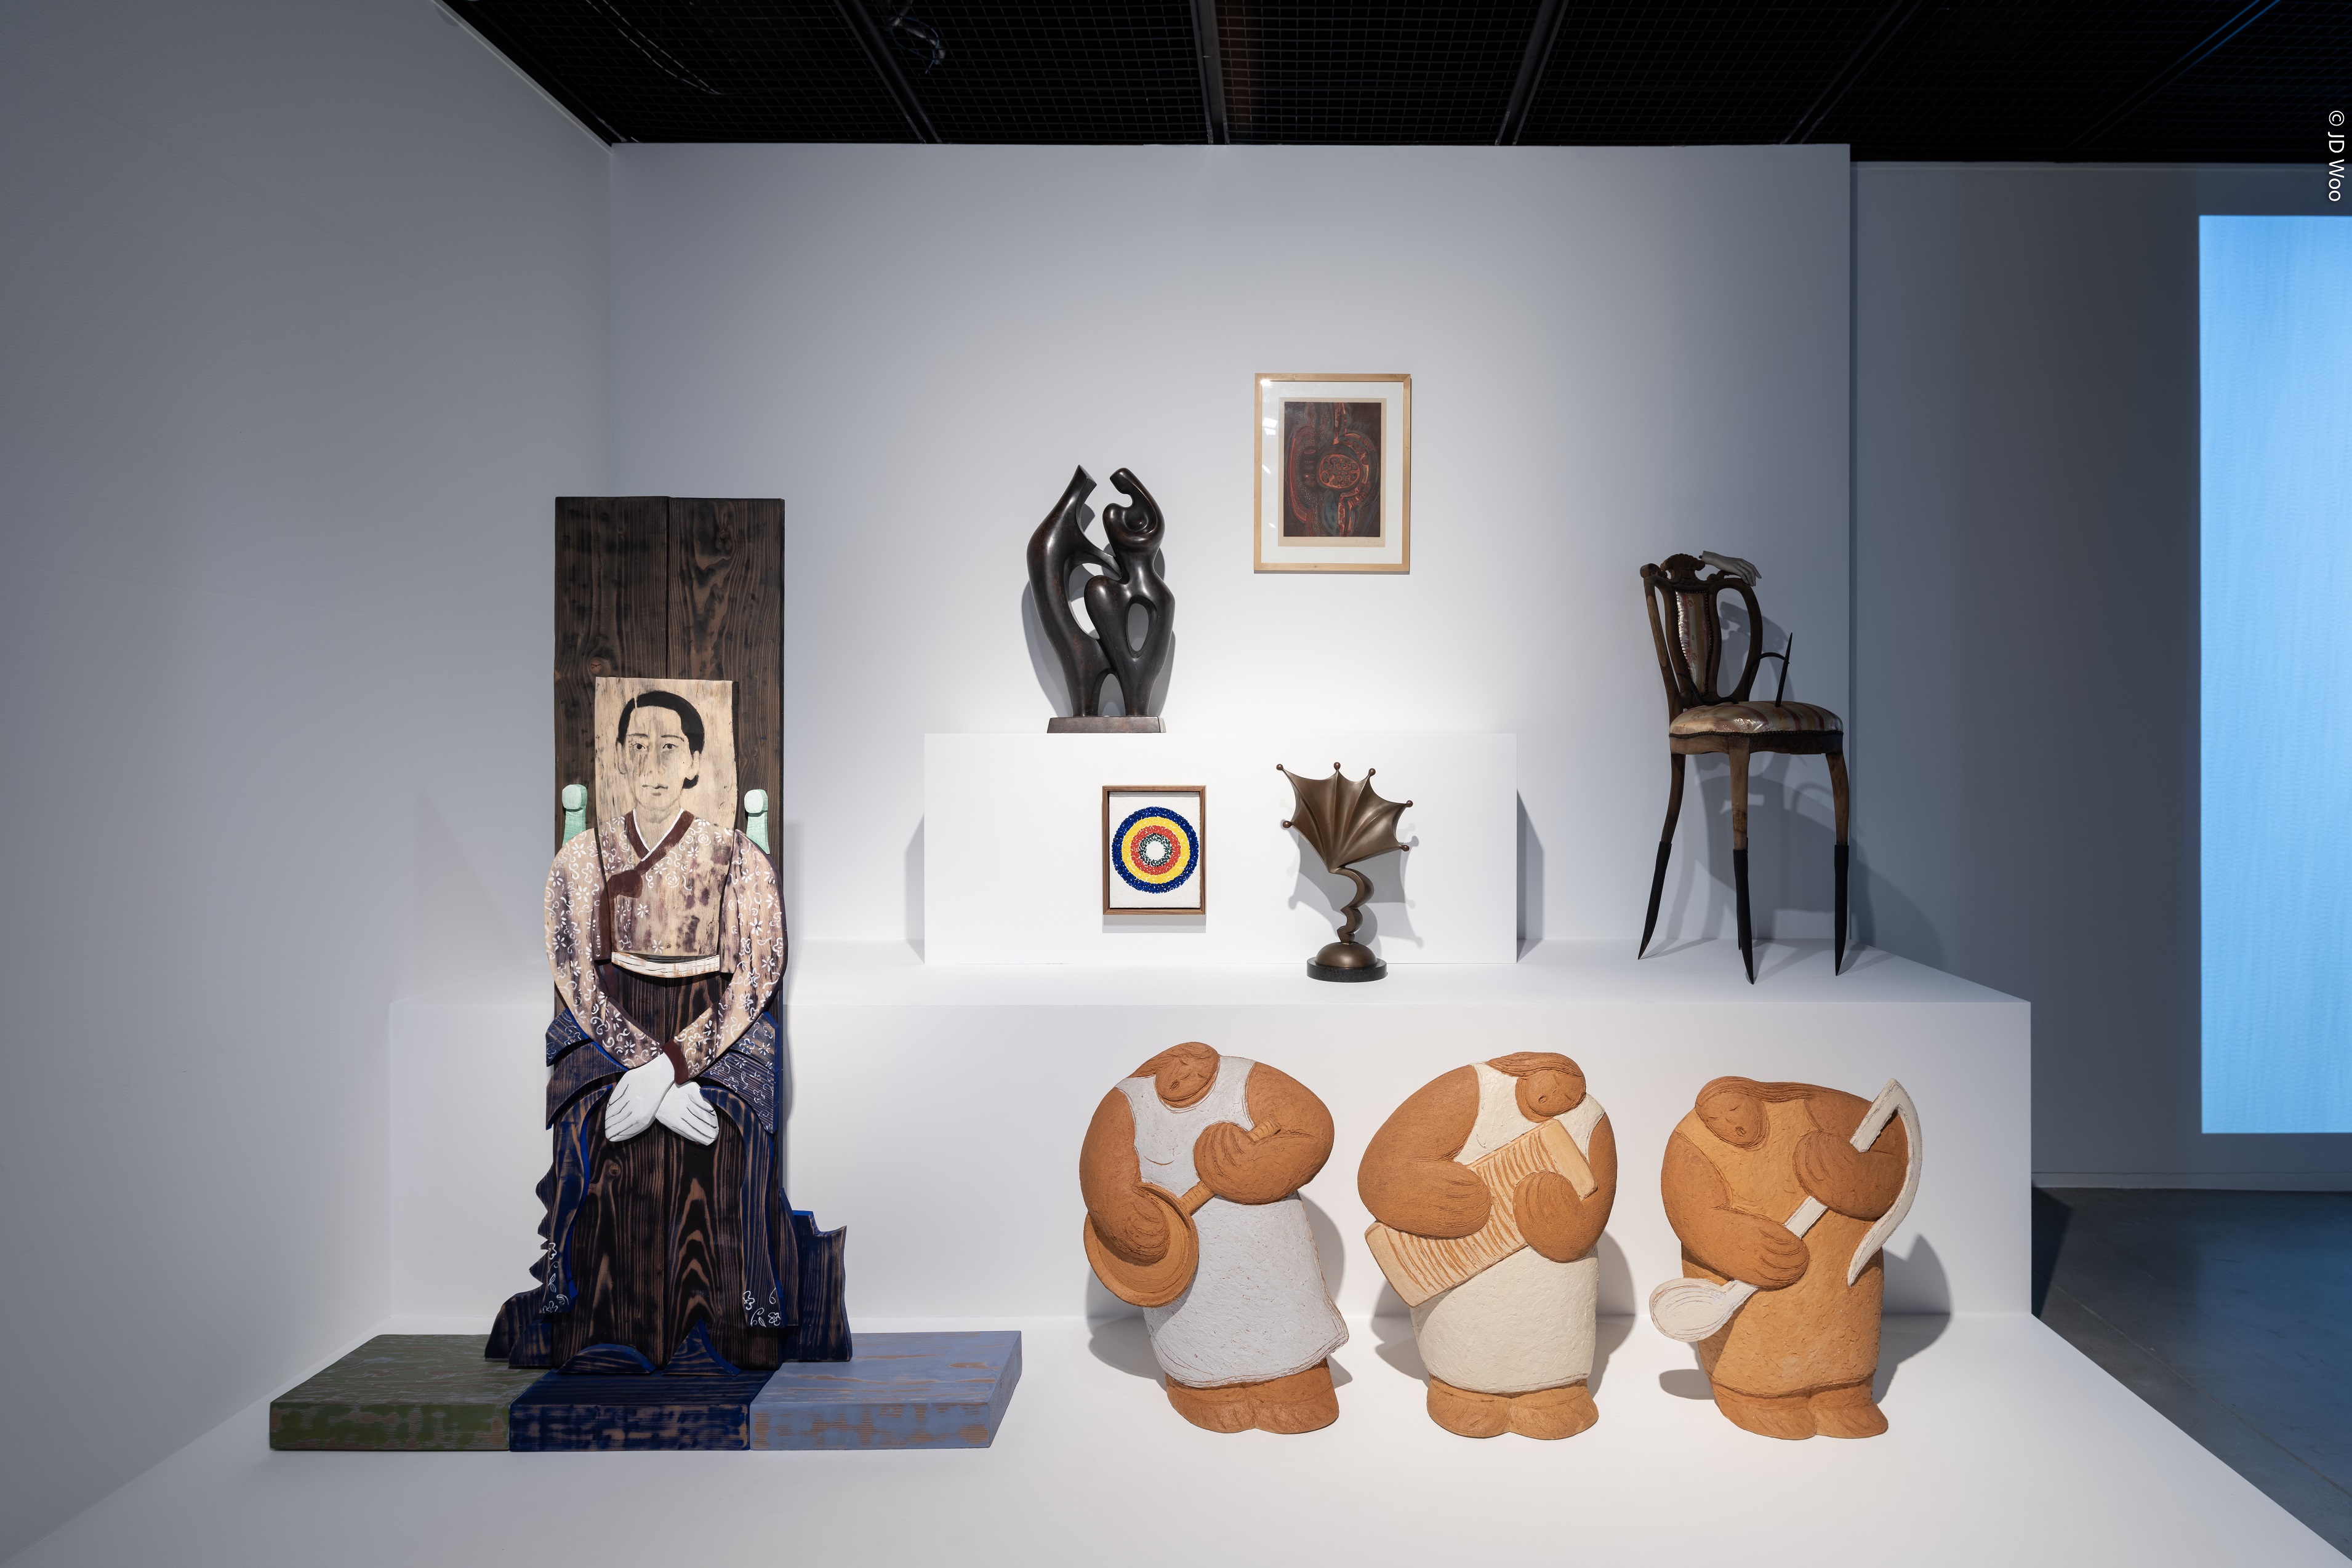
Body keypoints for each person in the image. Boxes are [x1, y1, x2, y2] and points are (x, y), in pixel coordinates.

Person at [491, 690, 790, 1373]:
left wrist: (670, 1069)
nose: (653, 765)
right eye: (638, 748)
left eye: (669, 748)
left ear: (695, 763)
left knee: (740, 1126)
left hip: (713, 1029)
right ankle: (580, 1310)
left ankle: (740, 1318)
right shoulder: (579, 860)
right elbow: (574, 975)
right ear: (619, 759)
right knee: (582, 1121)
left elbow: (758, 972)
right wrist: (640, 1069)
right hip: (610, 1029)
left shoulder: (737, 856)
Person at [1080, 1043, 1348, 1433]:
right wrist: (1127, 1218)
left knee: (1284, 1313)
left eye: (1193, 1062)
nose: (1185, 1072)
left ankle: (1296, 1375)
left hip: (1272, 1256)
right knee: (1201, 1328)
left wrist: (1254, 1168)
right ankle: (1204, 1384)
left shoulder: (1244, 1079)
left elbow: (1312, 1127)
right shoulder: (1129, 1102)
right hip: (1186, 1268)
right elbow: (1103, 1175)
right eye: (1177, 1064)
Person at [1359, 1052, 1617, 1439]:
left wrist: (1563, 1223)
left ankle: (1555, 1388)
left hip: (1550, 1279)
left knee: (1550, 1325)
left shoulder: (1590, 1119)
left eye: (1574, 1090)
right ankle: (1462, 1387)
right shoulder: (1471, 1089)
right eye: (1556, 1081)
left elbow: (1593, 1213)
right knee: (1468, 1334)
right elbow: (1382, 1171)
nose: (1563, 1096)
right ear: (1525, 1070)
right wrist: (1433, 1192)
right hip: (1457, 1266)